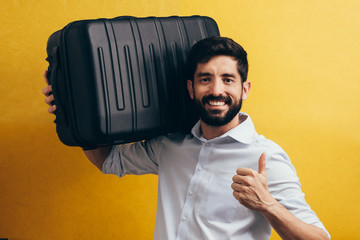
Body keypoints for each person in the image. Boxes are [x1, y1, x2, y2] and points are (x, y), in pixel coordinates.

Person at [42, 36, 330, 240]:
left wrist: (268, 204)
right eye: (206, 79)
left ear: (245, 89)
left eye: (228, 79)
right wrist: (70, 104)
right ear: (191, 89)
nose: (217, 90)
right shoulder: (170, 146)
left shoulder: (265, 158)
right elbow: (107, 160)